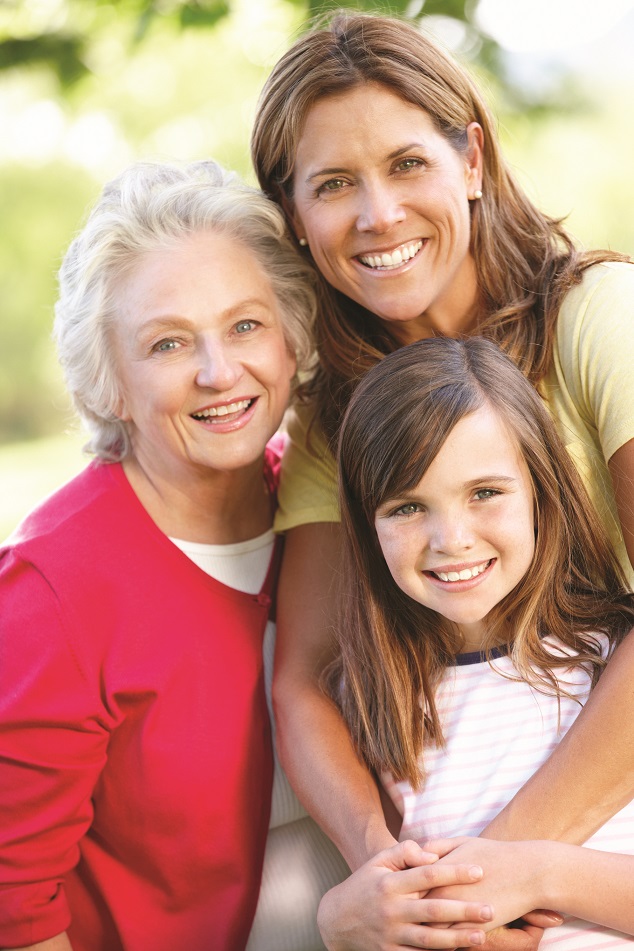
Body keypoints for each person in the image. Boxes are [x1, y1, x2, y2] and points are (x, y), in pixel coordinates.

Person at [249, 11, 634, 948]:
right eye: (334, 185)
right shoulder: (335, 418)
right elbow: (304, 677)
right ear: (295, 217)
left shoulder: (595, 317)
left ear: (470, 159)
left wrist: (494, 875)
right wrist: (385, 866)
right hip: (455, 810)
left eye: (406, 164)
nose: (378, 215)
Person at [0, 159, 369, 951]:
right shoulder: (51, 592)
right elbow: (15, 909)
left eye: (245, 325)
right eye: (168, 343)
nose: (219, 371)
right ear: (109, 384)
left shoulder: (336, 510)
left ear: (292, 333)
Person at [326, 334, 634, 949]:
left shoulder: (610, 661)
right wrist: (341, 919)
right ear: (367, 525)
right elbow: (394, 903)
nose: (452, 539)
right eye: (408, 507)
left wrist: (545, 876)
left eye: (484, 493)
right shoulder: (380, 699)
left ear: (541, 491)